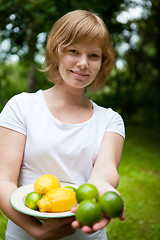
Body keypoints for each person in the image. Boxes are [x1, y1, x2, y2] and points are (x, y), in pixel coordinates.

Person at [0, 9, 125, 240]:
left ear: (102, 61)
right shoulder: (21, 107)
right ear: (56, 52)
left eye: (94, 55)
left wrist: (104, 189)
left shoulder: (110, 120)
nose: (83, 63)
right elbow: (3, 181)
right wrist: (37, 231)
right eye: (74, 51)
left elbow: (105, 171)